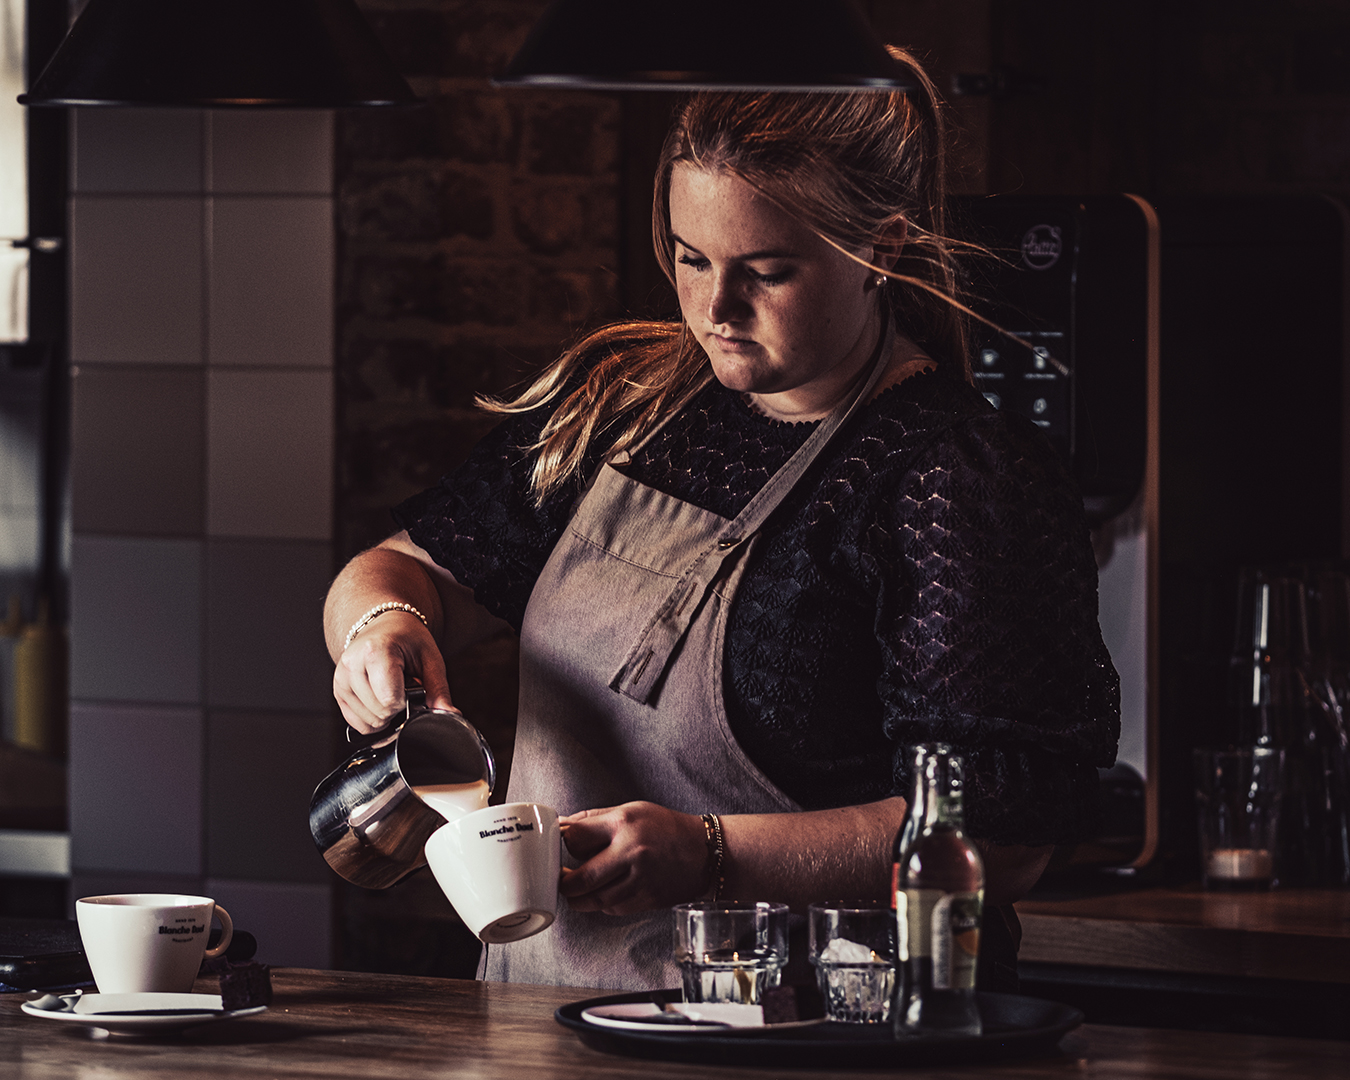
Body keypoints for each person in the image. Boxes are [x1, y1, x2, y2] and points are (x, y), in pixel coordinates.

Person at [323, 49, 1120, 992]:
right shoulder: (625, 405)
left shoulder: (956, 477)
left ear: (883, 248)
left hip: (819, 1031)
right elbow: (404, 568)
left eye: (766, 272)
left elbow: (1001, 836)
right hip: (541, 1026)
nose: (714, 308)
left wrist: (711, 855)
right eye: (690, 258)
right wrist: (381, 628)